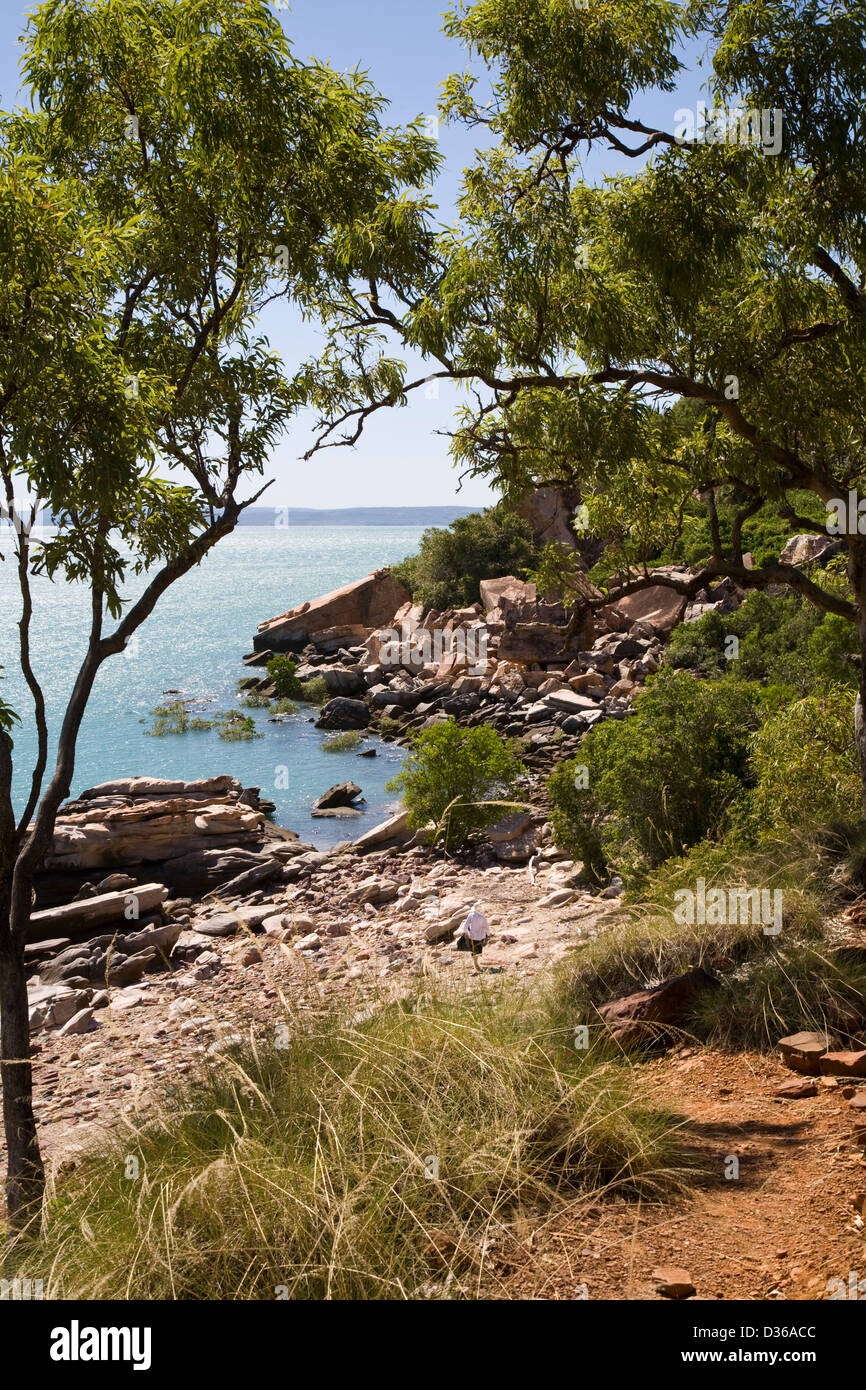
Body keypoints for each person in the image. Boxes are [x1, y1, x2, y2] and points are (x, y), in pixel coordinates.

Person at [455, 902, 490, 972]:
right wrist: (488, 934)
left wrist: (464, 931)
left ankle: (475, 962)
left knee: (473, 948)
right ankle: (476, 962)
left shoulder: (471, 915)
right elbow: (486, 926)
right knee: (478, 948)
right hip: (480, 935)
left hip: (472, 935)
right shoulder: (482, 917)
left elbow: (466, 924)